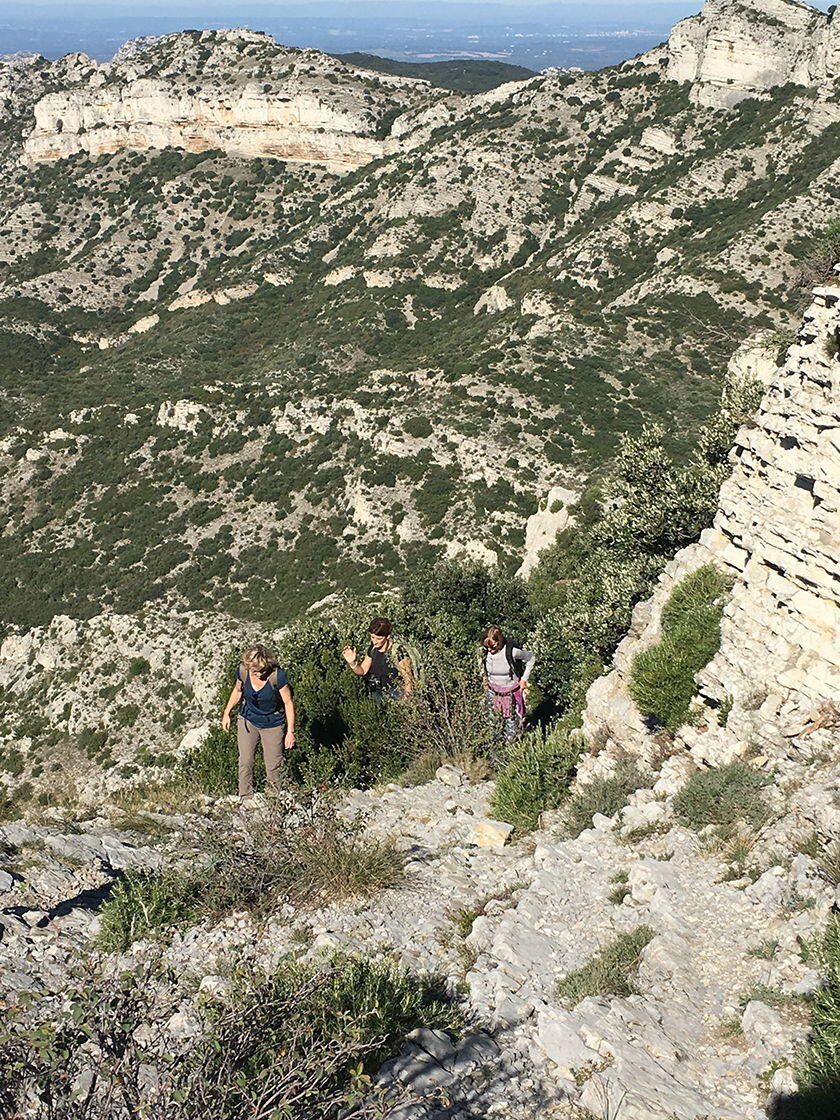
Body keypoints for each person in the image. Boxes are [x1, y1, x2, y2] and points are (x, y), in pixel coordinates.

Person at [221, 644, 295, 800]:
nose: (258, 674)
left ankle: (273, 800)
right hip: (248, 720)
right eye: (254, 671)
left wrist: (290, 732)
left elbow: (288, 703)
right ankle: (245, 797)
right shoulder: (243, 672)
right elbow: (237, 691)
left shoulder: (277, 676)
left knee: (273, 765)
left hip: (273, 723)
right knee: (245, 761)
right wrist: (226, 713)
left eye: (261, 671)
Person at [480, 626, 535, 744]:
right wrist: (484, 677)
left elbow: (531, 658)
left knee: (511, 724)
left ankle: (509, 749)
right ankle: (493, 748)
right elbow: (482, 663)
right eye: (487, 647)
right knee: (491, 722)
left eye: (493, 647)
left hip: (510, 692)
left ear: (499, 642)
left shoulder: (511, 652)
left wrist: (524, 679)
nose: (490, 650)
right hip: (492, 691)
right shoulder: (484, 652)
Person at [342, 617, 414, 700]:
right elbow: (363, 670)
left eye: (379, 639)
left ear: (388, 636)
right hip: (378, 693)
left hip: (396, 694)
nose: (374, 641)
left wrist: (405, 702)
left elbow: (408, 680)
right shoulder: (372, 649)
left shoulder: (398, 652)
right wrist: (352, 663)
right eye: (372, 637)